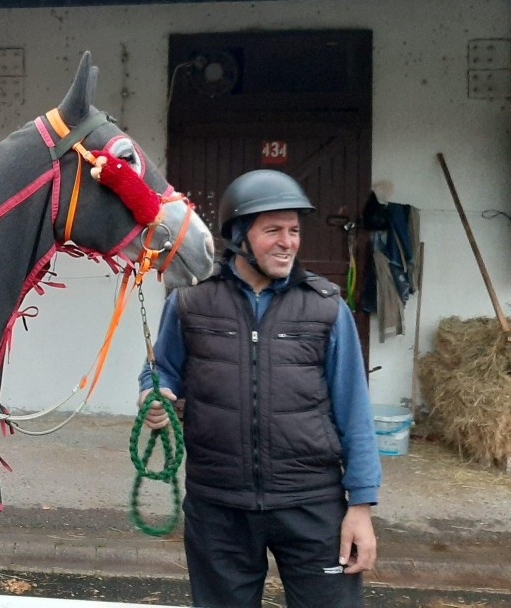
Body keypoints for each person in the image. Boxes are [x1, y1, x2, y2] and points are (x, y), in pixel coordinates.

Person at [138, 169, 381, 608]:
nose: (288, 242)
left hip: (312, 505)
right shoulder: (189, 300)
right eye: (273, 231)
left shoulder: (326, 308)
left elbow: (355, 413)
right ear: (239, 236)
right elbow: (161, 371)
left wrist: (361, 507)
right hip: (219, 506)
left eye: (293, 230)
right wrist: (154, 398)